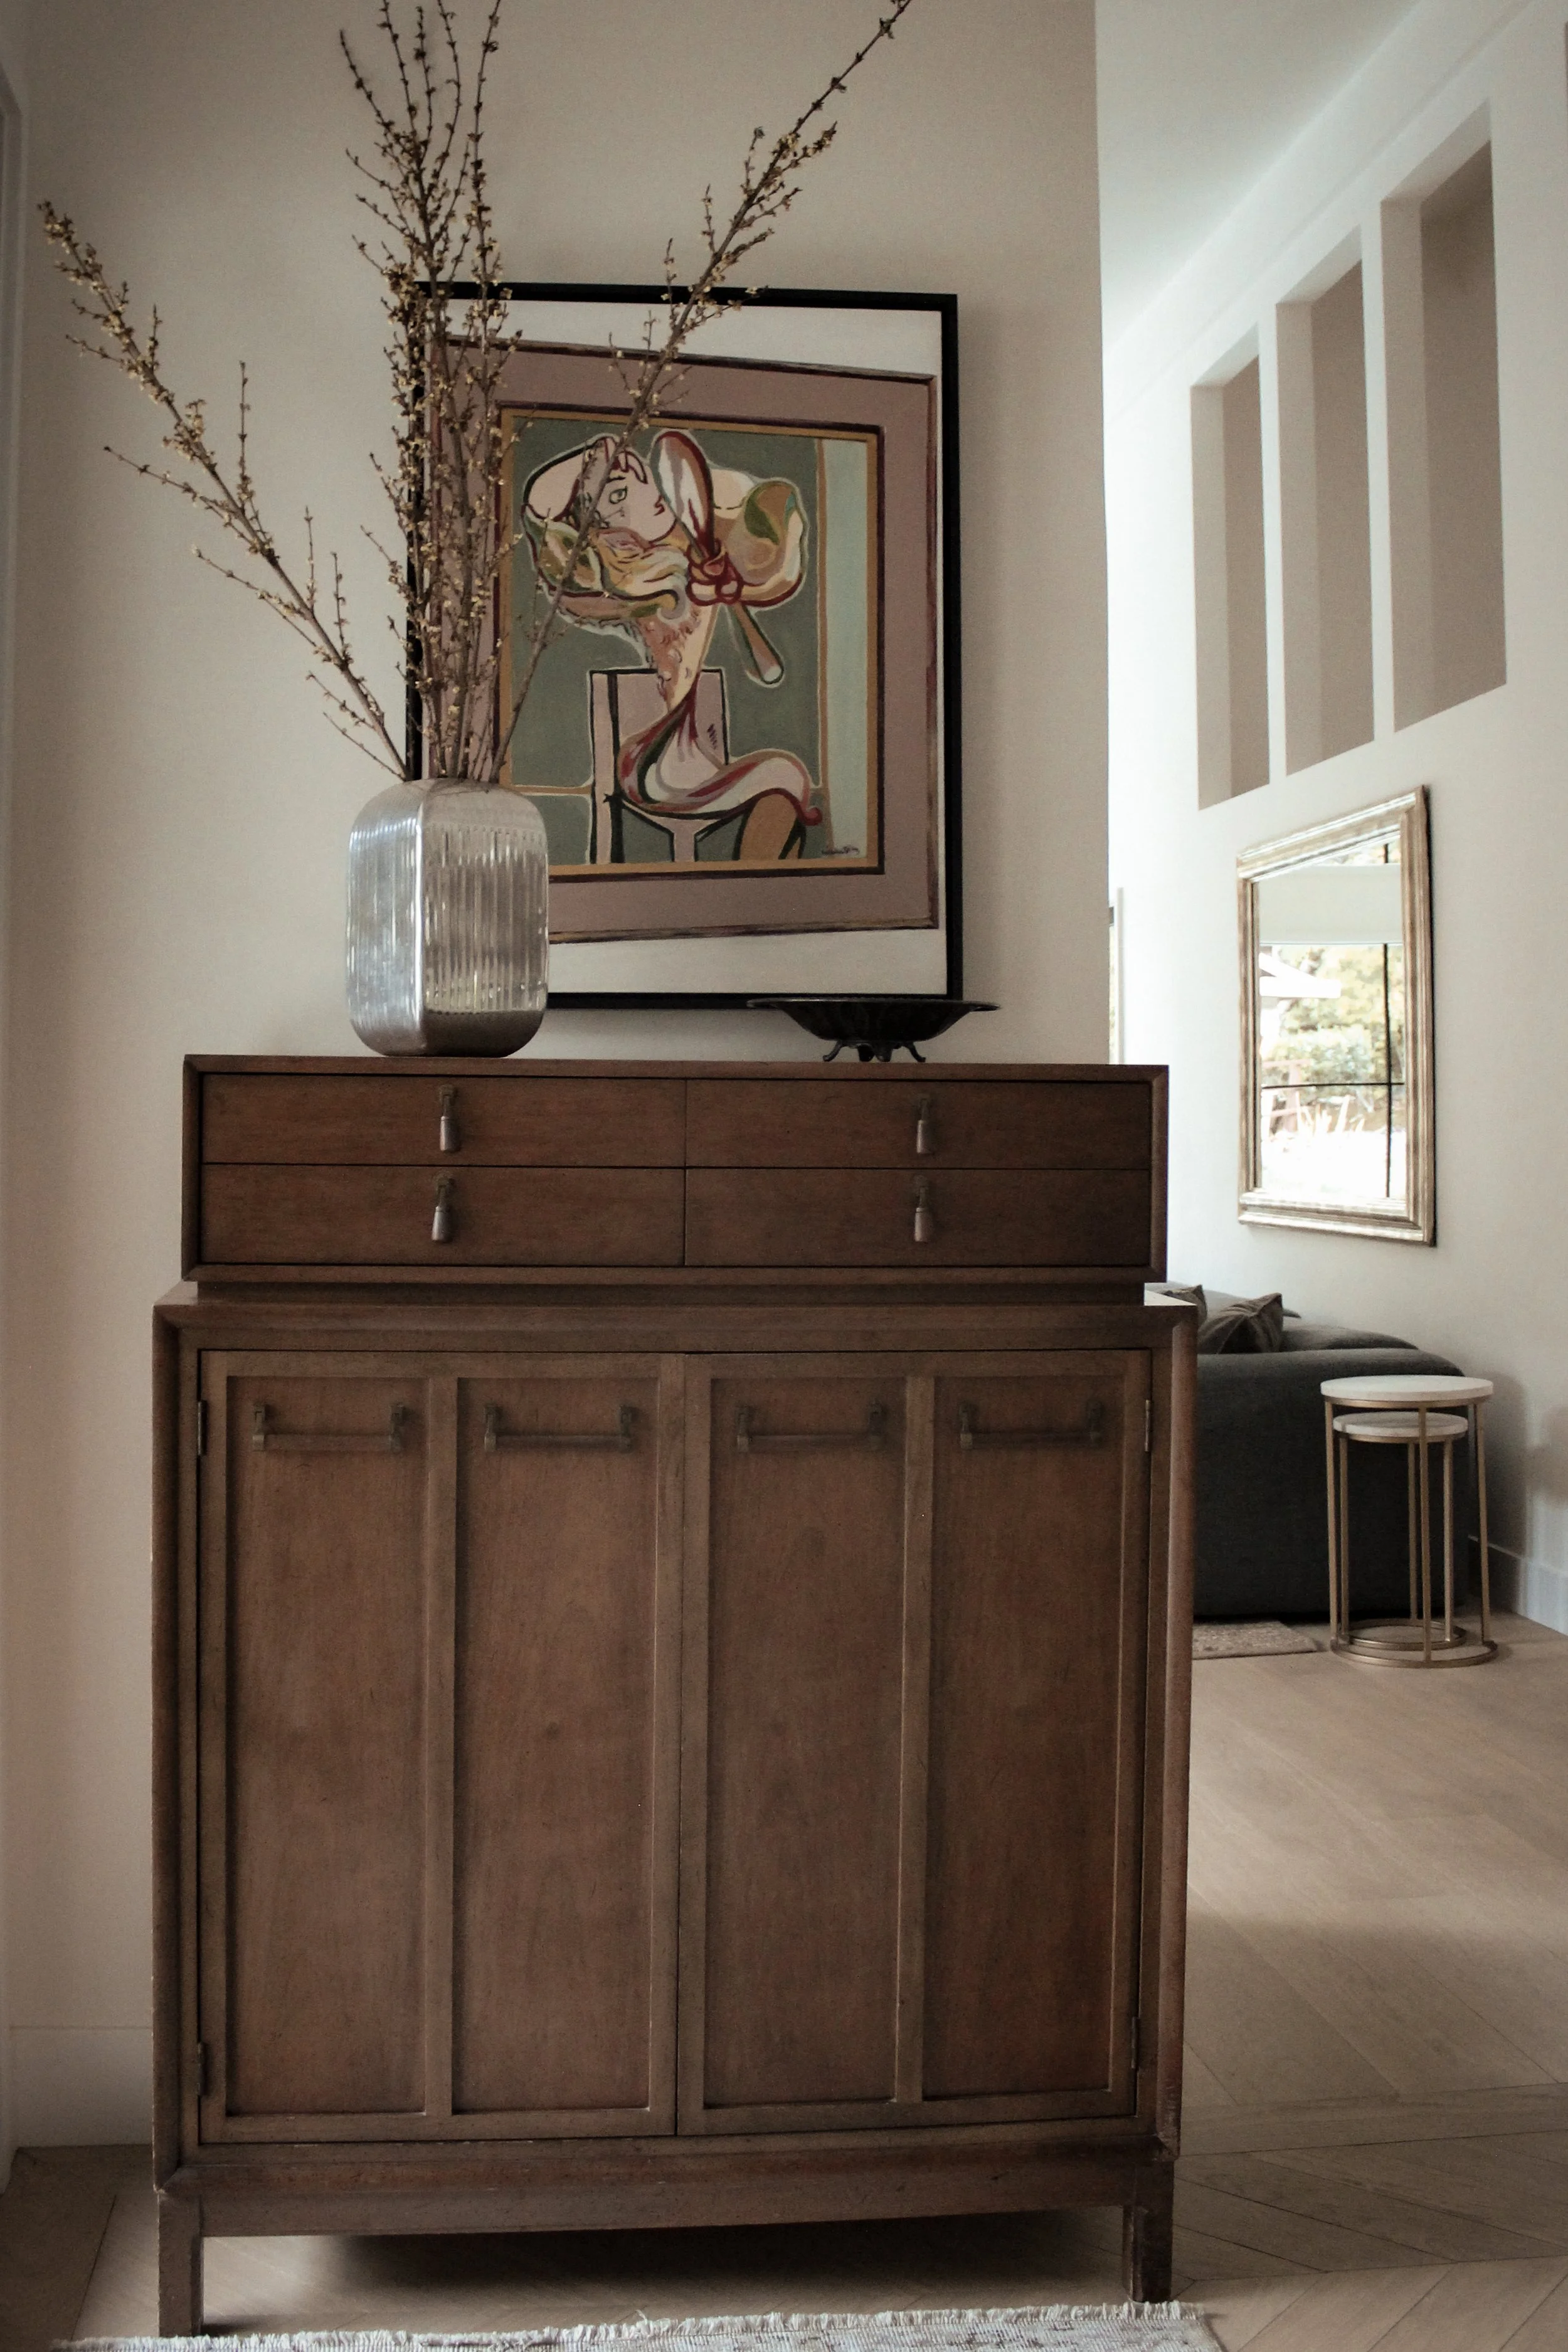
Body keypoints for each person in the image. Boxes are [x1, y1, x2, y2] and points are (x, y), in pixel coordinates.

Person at [522, 429, 821, 861]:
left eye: (640, 478)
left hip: (691, 759)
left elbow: (766, 525)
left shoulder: (694, 561)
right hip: (654, 765)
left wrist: (722, 574)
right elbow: (539, 512)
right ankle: (751, 895)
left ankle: (754, 893)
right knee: (786, 776)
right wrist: (592, 455)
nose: (646, 491)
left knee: (788, 779)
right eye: (620, 494)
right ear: (616, 536)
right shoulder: (658, 588)